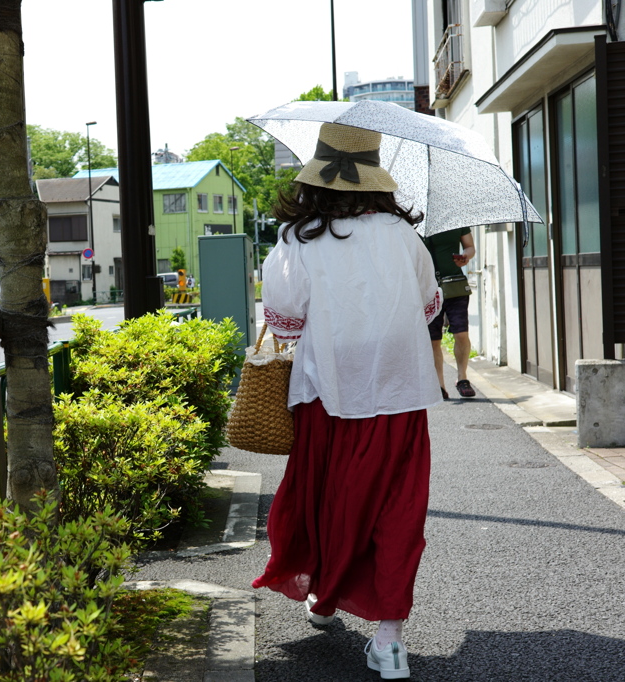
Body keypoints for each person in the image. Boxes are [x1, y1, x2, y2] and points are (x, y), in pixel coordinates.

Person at [251, 123, 443, 680]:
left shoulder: (299, 238)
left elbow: (284, 320)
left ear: (318, 178)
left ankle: (323, 590)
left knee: (326, 499)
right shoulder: (405, 237)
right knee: (397, 510)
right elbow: (429, 309)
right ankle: (389, 640)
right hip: (399, 393)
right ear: (376, 178)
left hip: (326, 392)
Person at [424, 228, 476, 398]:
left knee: (461, 333)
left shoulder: (455, 219)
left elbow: (470, 246)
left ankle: (462, 378)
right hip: (428, 288)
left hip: (455, 285)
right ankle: (439, 384)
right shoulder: (416, 221)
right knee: (433, 340)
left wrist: (465, 256)